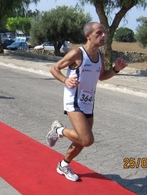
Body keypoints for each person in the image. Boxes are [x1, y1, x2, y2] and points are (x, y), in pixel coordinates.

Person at [46, 22, 128, 182]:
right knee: (87, 139)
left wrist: (116, 69)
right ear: (88, 36)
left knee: (81, 141)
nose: (103, 35)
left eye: (104, 33)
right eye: (99, 33)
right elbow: (54, 68)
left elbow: (101, 76)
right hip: (73, 101)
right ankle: (59, 130)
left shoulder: (100, 56)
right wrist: (65, 80)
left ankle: (63, 164)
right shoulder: (77, 54)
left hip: (88, 102)